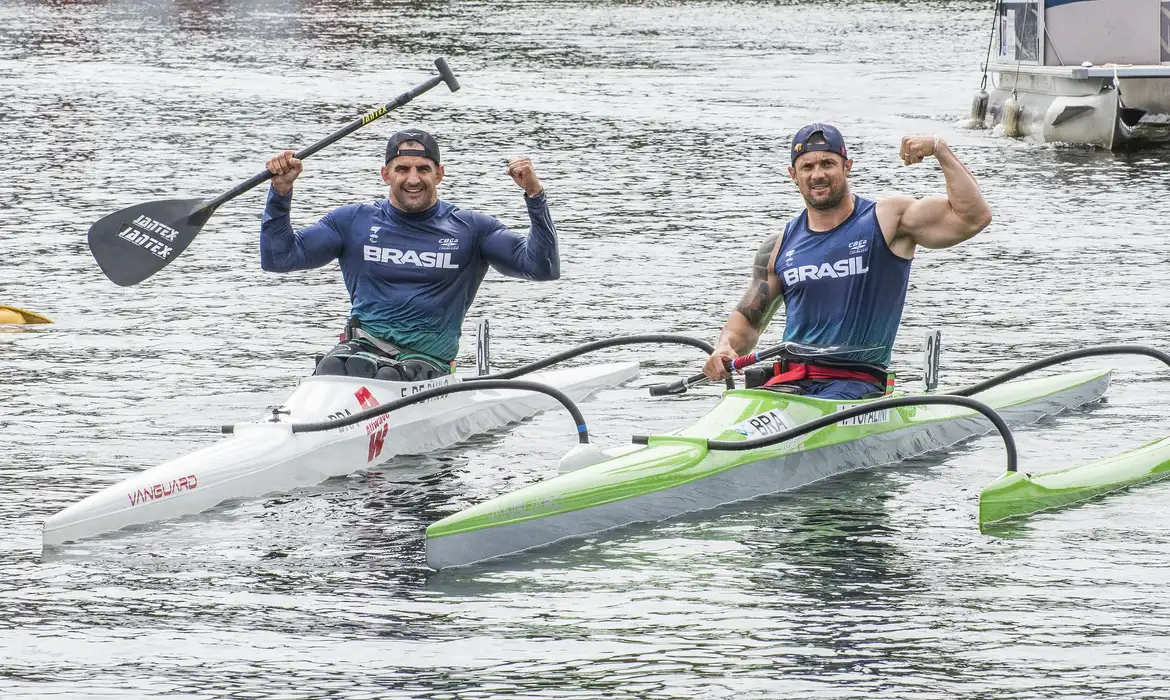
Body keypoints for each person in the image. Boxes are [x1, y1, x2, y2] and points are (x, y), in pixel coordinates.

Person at [702, 123, 993, 399]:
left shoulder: (887, 219)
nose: (817, 174)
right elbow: (749, 323)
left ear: (847, 167)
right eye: (808, 166)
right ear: (794, 174)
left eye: (827, 164)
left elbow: (972, 217)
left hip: (857, 385)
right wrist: (725, 347)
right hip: (788, 384)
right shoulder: (777, 246)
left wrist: (940, 150)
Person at [260, 128, 558, 382]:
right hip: (360, 352)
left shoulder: (472, 228)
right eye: (402, 169)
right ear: (385, 174)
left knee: (390, 375)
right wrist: (281, 192)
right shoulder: (351, 222)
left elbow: (541, 267)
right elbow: (280, 259)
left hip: (426, 365)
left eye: (423, 169)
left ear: (439, 174)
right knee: (330, 367)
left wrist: (534, 195)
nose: (413, 179)